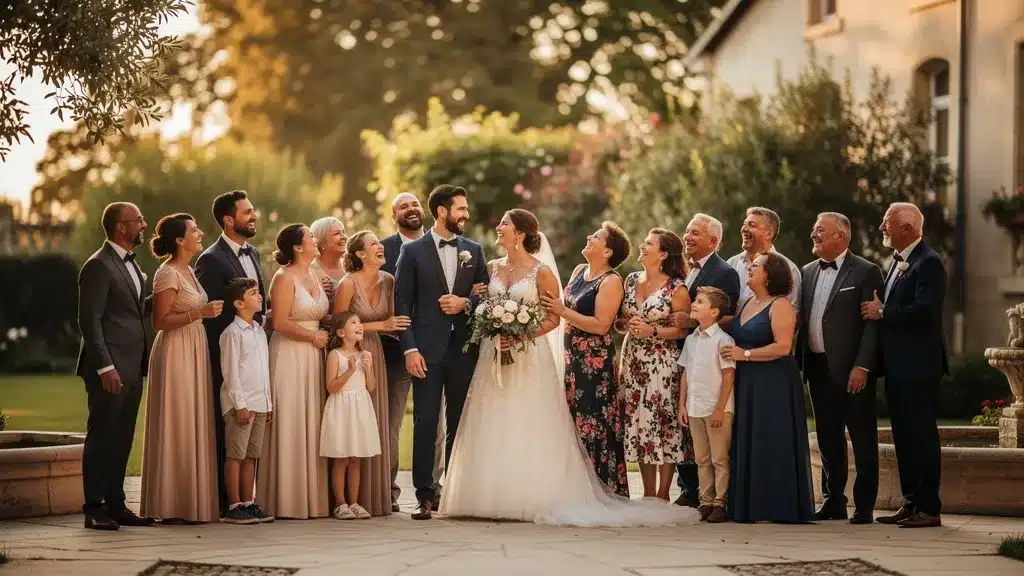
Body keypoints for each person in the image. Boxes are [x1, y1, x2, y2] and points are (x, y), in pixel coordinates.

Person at [440, 209, 699, 527]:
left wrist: (519, 333)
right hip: (513, 355)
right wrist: (489, 324)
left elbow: (556, 317)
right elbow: (483, 305)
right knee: (493, 416)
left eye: (504, 223)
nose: (498, 227)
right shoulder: (495, 268)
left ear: (519, 233)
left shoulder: (548, 272)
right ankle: (485, 493)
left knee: (541, 421)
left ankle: (538, 493)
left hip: (547, 356)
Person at [393, 185, 489, 520]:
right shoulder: (414, 251)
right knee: (425, 421)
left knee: (461, 423)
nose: (466, 214)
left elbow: (487, 298)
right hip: (426, 351)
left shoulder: (474, 250)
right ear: (442, 211)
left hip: (464, 349)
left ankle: (456, 490)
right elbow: (402, 303)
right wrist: (410, 349)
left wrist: (466, 302)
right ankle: (424, 495)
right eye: (460, 208)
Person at [861, 202, 947, 529]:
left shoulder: (929, 263)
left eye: (887, 223)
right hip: (898, 367)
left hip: (919, 367)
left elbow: (925, 312)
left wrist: (882, 312)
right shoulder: (898, 261)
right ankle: (911, 502)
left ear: (906, 228)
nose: (882, 228)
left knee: (921, 437)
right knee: (903, 437)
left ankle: (929, 507)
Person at [799, 212, 883, 525]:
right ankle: (834, 501)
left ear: (841, 236)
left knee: (862, 437)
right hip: (817, 368)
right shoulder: (807, 271)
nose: (813, 235)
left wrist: (862, 365)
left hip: (852, 370)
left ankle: (864, 506)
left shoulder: (866, 271)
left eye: (820, 230)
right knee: (827, 438)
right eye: (814, 229)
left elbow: (873, 326)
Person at [77, 202, 155, 530]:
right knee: (102, 437)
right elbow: (89, 321)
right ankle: (94, 508)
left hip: (133, 366)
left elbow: (133, 311)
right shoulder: (98, 266)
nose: (144, 224)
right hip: (109, 368)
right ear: (121, 227)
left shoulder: (134, 267)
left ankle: (117, 505)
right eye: (138, 220)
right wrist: (105, 366)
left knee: (123, 436)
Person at [722, 252, 814, 524]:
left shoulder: (781, 305)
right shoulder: (749, 301)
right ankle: (751, 505)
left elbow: (783, 347)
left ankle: (774, 507)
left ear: (770, 274)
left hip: (773, 383)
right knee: (750, 437)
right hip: (747, 381)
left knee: (770, 439)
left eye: (756, 266)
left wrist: (745, 355)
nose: (749, 268)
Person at [541, 221, 632, 497]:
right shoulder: (580, 271)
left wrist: (561, 311)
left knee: (593, 423)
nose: (589, 237)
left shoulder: (611, 281)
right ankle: (576, 488)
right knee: (573, 423)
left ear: (607, 251)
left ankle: (602, 490)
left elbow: (601, 325)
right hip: (572, 361)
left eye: (597, 237)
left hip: (595, 365)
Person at [140, 213, 220, 524]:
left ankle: (190, 502)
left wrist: (201, 315)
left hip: (194, 346)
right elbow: (159, 321)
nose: (200, 233)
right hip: (175, 351)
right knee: (177, 418)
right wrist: (199, 312)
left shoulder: (188, 270)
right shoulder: (168, 273)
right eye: (194, 230)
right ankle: (171, 503)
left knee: (193, 418)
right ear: (179, 239)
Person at [195, 190, 267, 513]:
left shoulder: (254, 254)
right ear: (229, 219)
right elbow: (209, 316)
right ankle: (229, 503)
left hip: (256, 353)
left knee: (250, 448)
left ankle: (247, 501)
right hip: (228, 361)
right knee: (231, 443)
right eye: (247, 211)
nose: (253, 216)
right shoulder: (211, 259)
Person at [256, 224, 331, 519]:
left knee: (312, 420)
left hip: (315, 355)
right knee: (290, 420)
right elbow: (280, 323)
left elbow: (319, 312)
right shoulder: (283, 277)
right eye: (310, 237)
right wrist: (313, 337)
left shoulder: (314, 274)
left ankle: (313, 498)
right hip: (289, 354)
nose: (315, 239)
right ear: (298, 247)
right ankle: (286, 498)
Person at [333, 231, 407, 516]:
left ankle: (376, 495)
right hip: (352, 352)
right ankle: (346, 499)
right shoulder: (347, 284)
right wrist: (381, 326)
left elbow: (395, 318)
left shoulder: (389, 280)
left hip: (377, 355)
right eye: (374, 243)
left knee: (377, 422)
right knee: (354, 421)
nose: (381, 246)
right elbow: (337, 322)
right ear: (360, 254)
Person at [381, 193, 446, 511]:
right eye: (403, 206)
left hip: (435, 350)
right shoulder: (382, 249)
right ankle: (388, 490)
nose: (411, 209)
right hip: (394, 352)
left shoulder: (443, 245)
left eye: (415, 204)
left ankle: (432, 488)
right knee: (392, 423)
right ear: (393, 215)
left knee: (434, 424)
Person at [617, 229, 691, 501]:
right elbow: (622, 322)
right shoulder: (631, 280)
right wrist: (627, 326)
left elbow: (684, 331)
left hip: (662, 363)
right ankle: (648, 494)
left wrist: (653, 332)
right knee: (640, 425)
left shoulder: (677, 288)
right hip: (633, 360)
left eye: (648, 244)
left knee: (662, 423)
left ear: (662, 254)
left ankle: (662, 494)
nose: (642, 246)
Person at [673, 213, 741, 508]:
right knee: (687, 434)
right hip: (682, 355)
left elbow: (728, 314)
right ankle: (691, 489)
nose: (687, 236)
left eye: (695, 233)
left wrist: (690, 320)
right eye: (687, 231)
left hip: (709, 357)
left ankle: (716, 499)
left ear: (713, 241)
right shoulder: (679, 269)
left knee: (715, 449)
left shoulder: (725, 272)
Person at [219, 277, 275, 524]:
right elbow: (230, 373)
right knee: (236, 455)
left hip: (260, 404)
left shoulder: (259, 331)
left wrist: (268, 403)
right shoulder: (232, 334)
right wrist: (240, 405)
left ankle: (248, 503)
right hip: (240, 406)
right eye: (254, 293)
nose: (259, 296)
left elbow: (263, 370)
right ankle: (233, 506)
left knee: (251, 456)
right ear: (239, 303)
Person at [677, 286, 735, 523]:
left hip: (717, 408)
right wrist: (682, 405)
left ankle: (721, 502)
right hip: (694, 408)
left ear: (713, 312)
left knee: (719, 458)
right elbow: (685, 374)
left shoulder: (723, 340)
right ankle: (705, 501)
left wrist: (720, 408)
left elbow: (729, 375)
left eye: (699, 301)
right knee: (701, 458)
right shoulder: (691, 340)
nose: (693, 304)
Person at [321, 312, 382, 520]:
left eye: (360, 322)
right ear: (340, 332)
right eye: (353, 322)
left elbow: (371, 387)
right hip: (342, 408)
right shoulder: (334, 355)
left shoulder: (366, 354)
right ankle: (340, 503)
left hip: (360, 408)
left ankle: (354, 502)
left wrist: (368, 367)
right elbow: (331, 387)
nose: (359, 326)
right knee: (341, 458)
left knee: (356, 458)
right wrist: (348, 370)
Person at [727, 207, 801, 313]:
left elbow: (792, 314)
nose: (744, 229)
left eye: (751, 225)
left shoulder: (789, 269)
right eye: (744, 224)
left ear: (769, 234)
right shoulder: (731, 263)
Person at [310, 216, 348, 304]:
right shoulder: (311, 271)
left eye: (343, 232)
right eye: (337, 233)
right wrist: (315, 292)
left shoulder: (352, 266)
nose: (344, 237)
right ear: (322, 241)